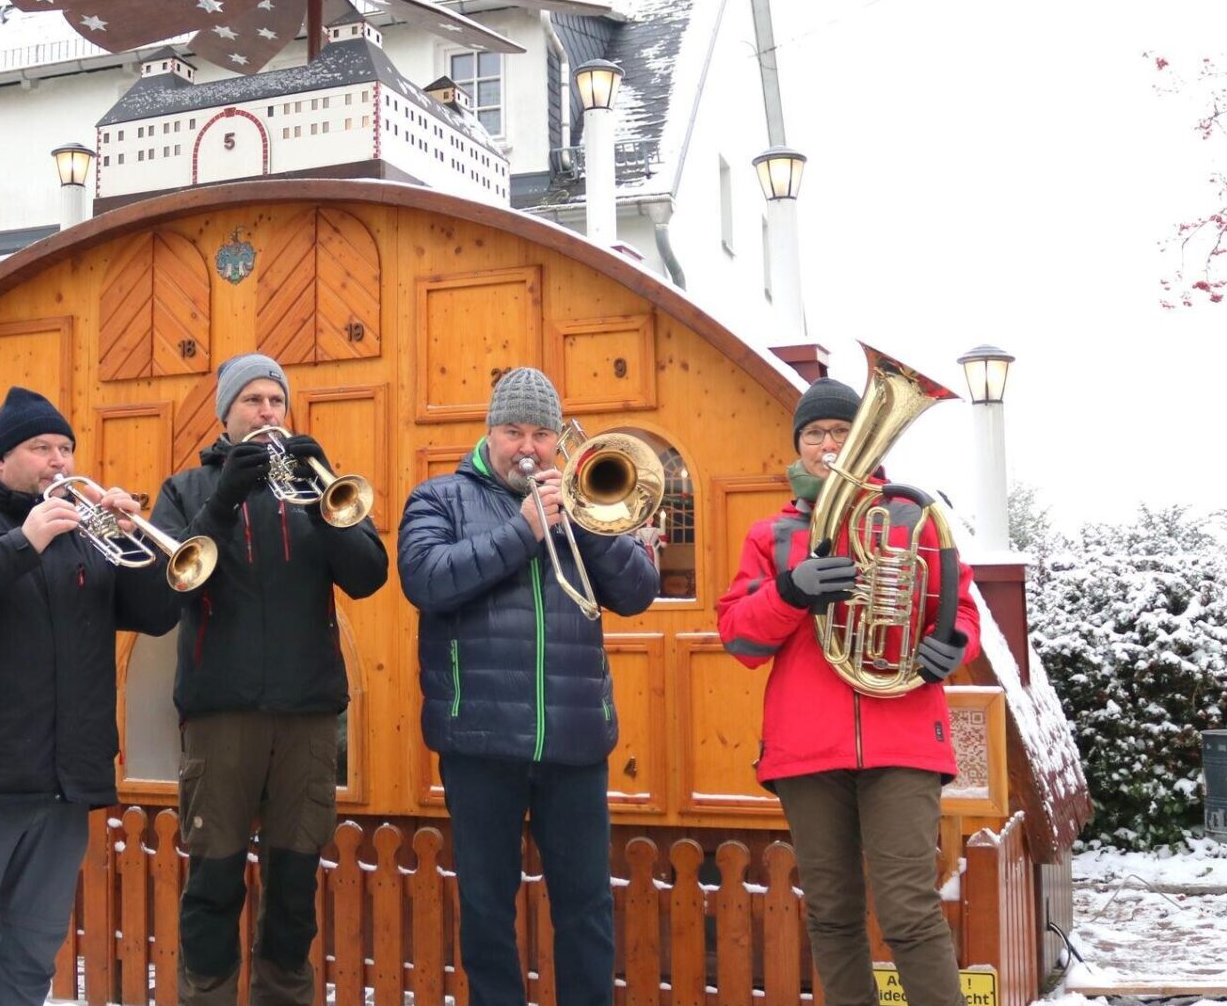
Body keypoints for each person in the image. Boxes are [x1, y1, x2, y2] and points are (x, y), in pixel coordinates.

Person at [0, 385, 178, 1006]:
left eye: (66, 449)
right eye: (40, 447)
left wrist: (137, 542)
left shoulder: (90, 536)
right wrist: (22, 543)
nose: (59, 462)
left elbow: (157, 614)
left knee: (29, 961)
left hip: (64, 786)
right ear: (2, 459)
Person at [714, 377, 982, 1006]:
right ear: (799, 445)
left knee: (910, 912)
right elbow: (739, 640)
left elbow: (960, 609)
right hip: (807, 748)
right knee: (831, 914)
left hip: (905, 739)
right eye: (815, 433)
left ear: (864, 439)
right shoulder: (771, 537)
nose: (829, 445)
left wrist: (954, 646)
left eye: (841, 431)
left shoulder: (911, 516)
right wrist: (789, 591)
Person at [396, 366, 659, 1006]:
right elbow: (426, 579)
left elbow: (637, 592)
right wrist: (525, 530)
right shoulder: (439, 498)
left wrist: (587, 526)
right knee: (487, 911)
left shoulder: (585, 504)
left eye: (542, 434)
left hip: (573, 742)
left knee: (587, 909)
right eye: (514, 430)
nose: (529, 447)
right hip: (479, 740)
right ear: (489, 432)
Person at [149, 352, 390, 1005]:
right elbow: (162, 584)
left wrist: (322, 502)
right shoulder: (186, 491)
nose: (266, 413)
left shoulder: (316, 485)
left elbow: (369, 575)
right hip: (220, 713)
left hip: (307, 715)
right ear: (225, 414)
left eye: (275, 401)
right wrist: (223, 502)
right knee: (214, 881)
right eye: (252, 401)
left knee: (293, 884)